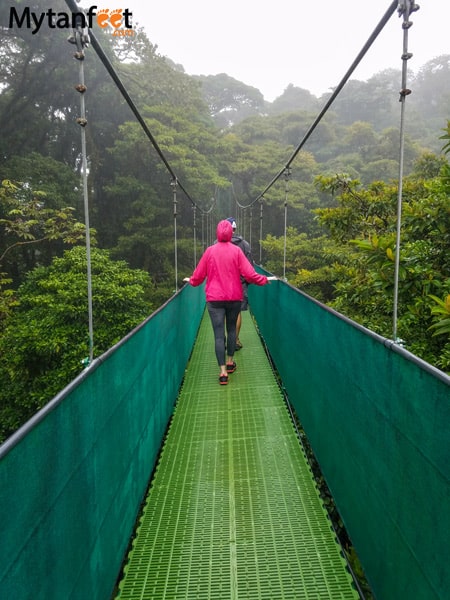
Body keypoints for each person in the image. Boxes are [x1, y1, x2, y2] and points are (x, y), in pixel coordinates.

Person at [183, 219, 275, 385]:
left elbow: (198, 275)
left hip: (214, 300)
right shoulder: (237, 251)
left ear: (217, 233)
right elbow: (249, 274)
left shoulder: (210, 251)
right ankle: (231, 362)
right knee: (231, 330)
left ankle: (223, 372)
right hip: (234, 297)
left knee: (219, 336)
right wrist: (263, 280)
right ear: (231, 233)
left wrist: (191, 281)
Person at [226, 217, 252, 350]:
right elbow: (249, 267)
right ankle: (235, 340)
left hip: (223, 284)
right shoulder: (245, 244)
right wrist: (246, 283)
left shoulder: (216, 244)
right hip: (240, 284)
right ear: (235, 229)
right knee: (236, 313)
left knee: (226, 312)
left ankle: (228, 339)